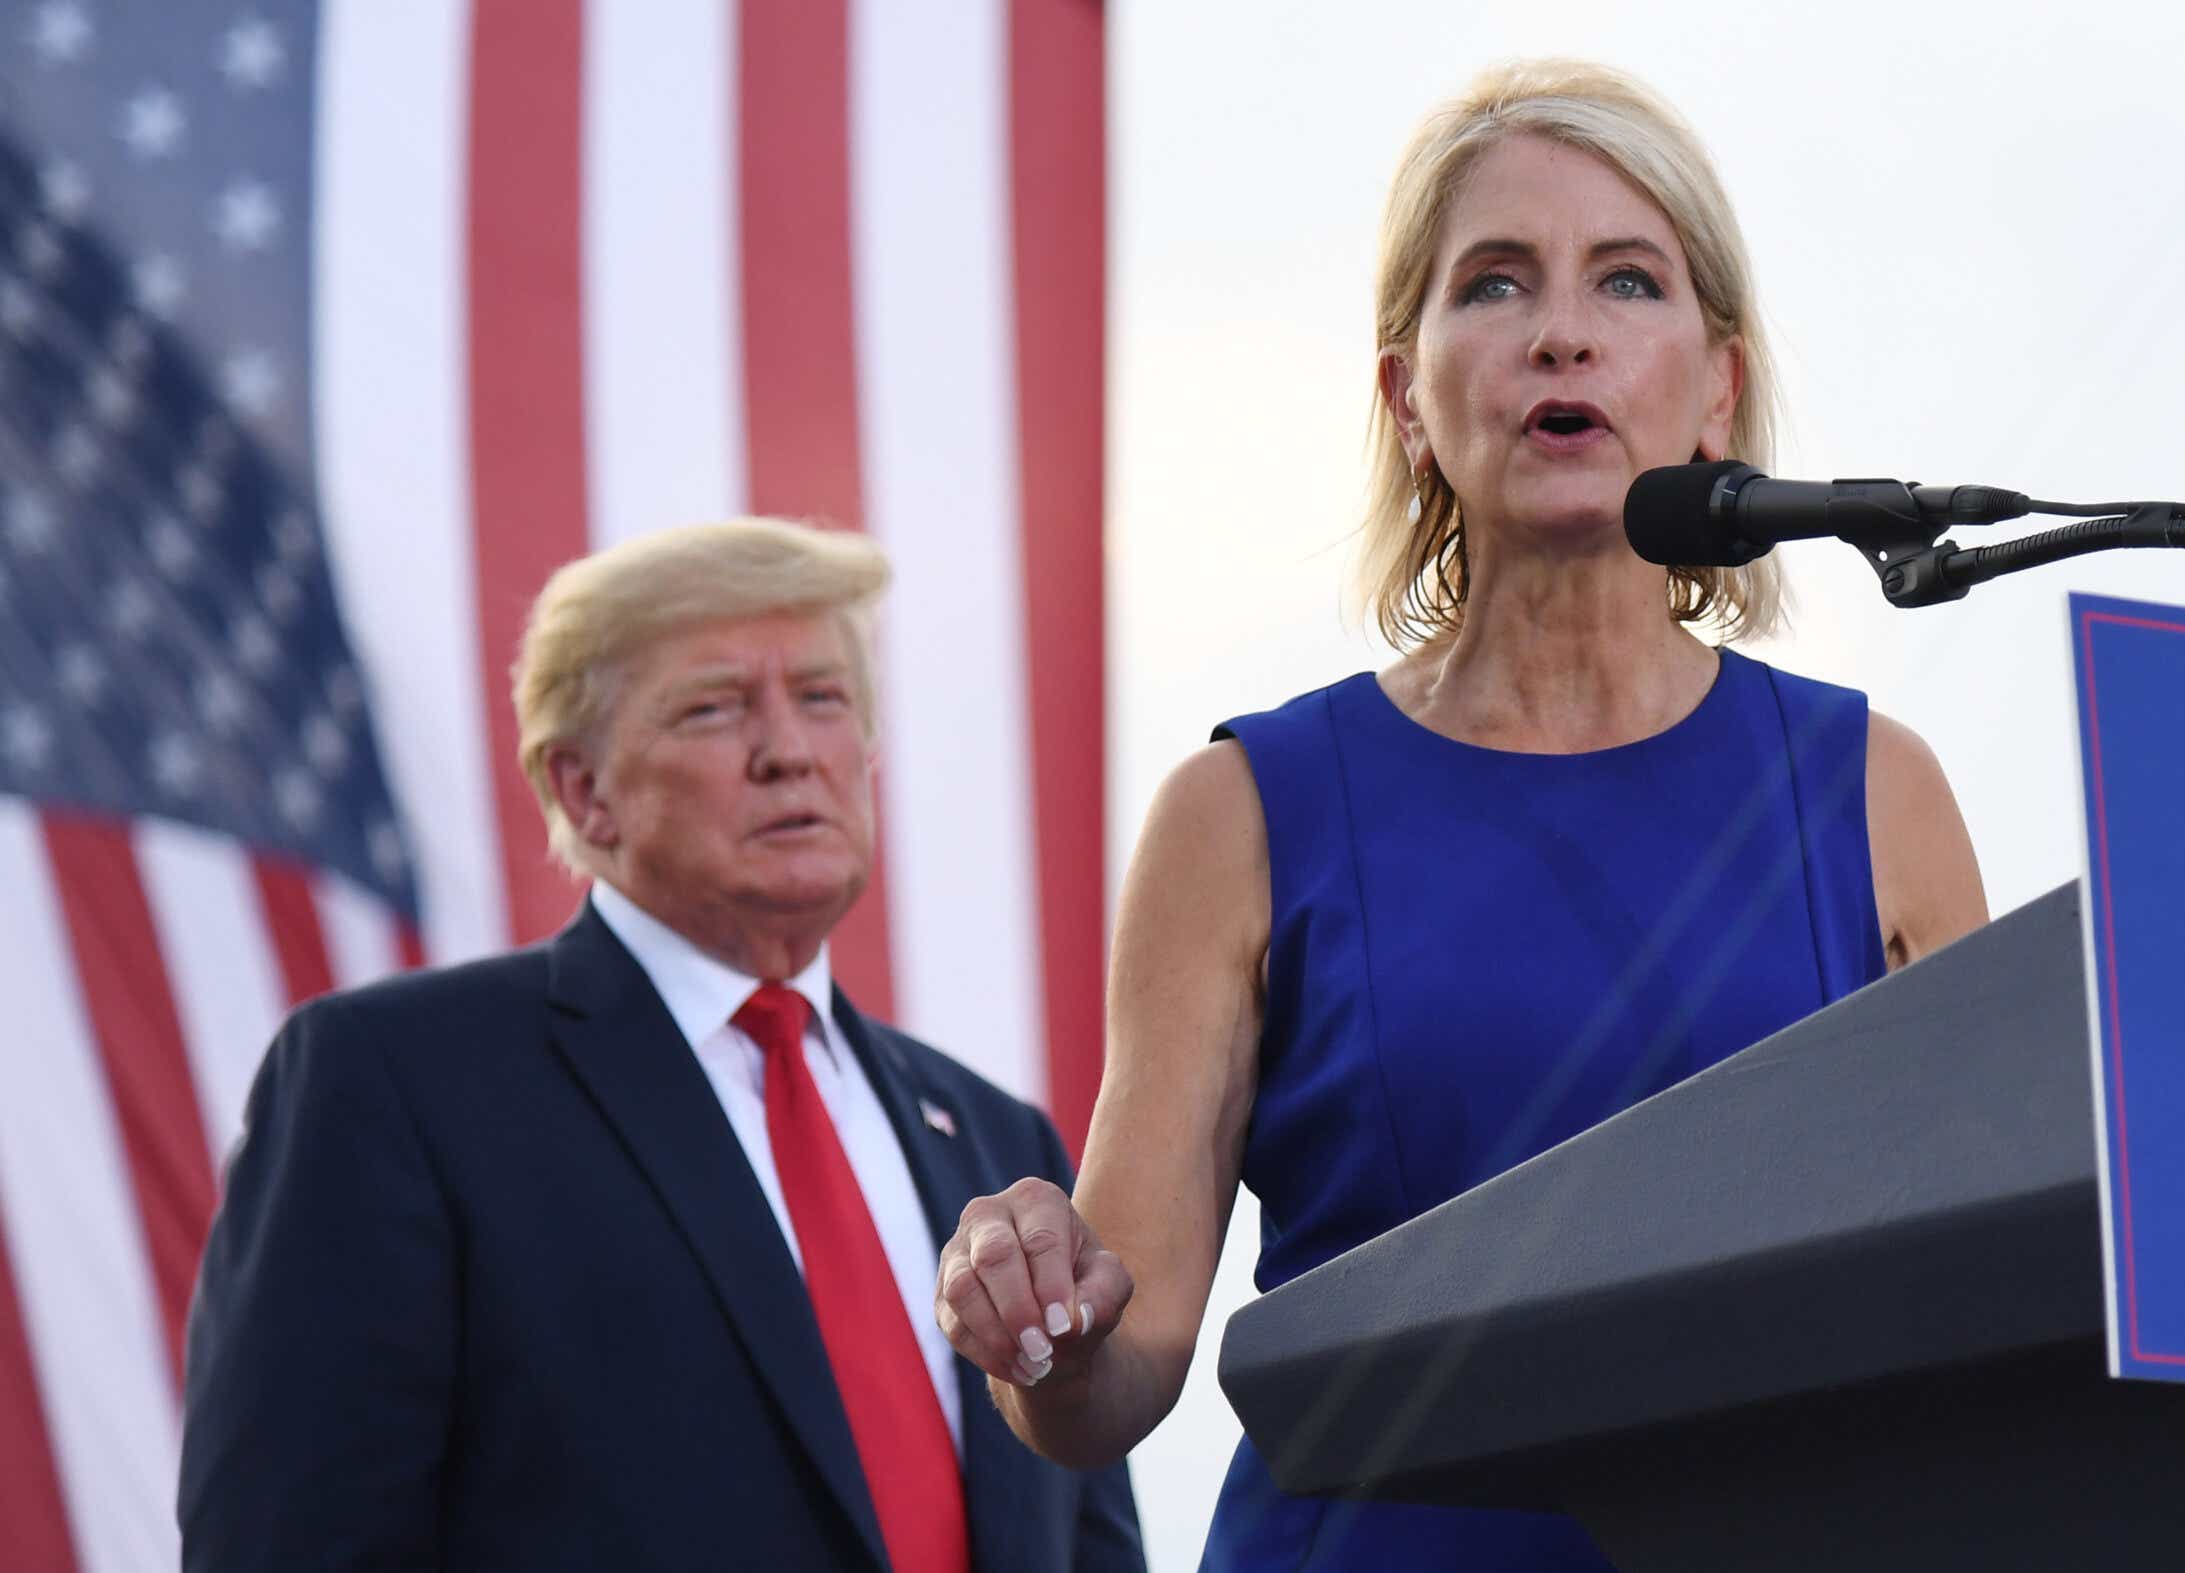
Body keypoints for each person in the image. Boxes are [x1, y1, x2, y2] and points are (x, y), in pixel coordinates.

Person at [930, 59, 1989, 1570]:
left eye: (1628, 282)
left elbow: (1992, 1287)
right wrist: (1037, 1312)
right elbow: (1108, 1381)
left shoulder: (1880, 790)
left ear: (1716, 387)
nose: (1563, 329)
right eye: (1495, 284)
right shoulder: (1240, 811)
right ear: (1406, 394)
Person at [179, 519, 1145, 1572]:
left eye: (823, 697)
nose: (789, 750)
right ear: (585, 790)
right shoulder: (398, 1084)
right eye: (714, 707)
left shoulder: (997, 1141)